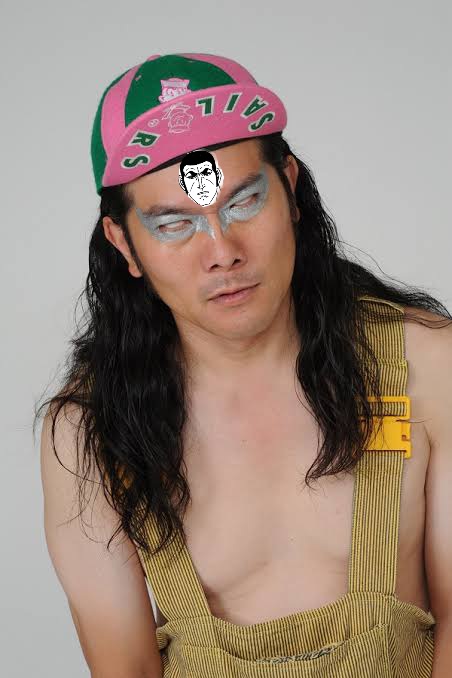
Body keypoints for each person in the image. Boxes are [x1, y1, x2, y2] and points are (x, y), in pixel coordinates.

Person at [36, 53, 452, 677]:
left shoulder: (427, 364)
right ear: (124, 243)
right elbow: (127, 669)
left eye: (245, 202)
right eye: (174, 224)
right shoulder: (89, 433)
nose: (222, 252)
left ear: (290, 189)